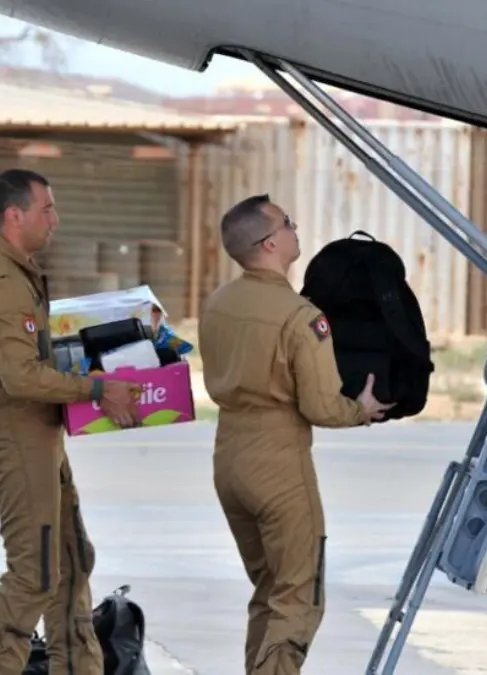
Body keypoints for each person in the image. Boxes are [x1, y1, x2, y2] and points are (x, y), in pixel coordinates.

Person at [0, 168, 141, 675]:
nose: (55, 220)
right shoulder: (4, 281)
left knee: (73, 560)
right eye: (47, 209)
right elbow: (20, 377)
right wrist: (97, 388)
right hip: (15, 431)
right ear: (16, 216)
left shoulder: (14, 268)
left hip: (36, 431)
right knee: (33, 574)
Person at [197, 195, 394, 675]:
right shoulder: (301, 317)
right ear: (269, 243)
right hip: (279, 464)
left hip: (229, 460)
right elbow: (322, 406)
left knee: (269, 591)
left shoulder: (218, 303)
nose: (294, 227)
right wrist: (361, 409)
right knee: (299, 597)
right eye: (287, 222)